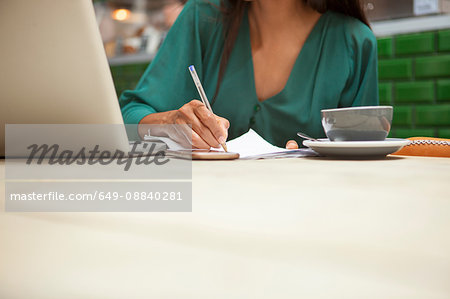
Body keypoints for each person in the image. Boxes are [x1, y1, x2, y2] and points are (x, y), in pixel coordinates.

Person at [119, 0, 379, 149]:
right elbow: (127, 116)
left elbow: (364, 164)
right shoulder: (204, 17)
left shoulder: (354, 42)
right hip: (206, 214)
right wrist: (169, 124)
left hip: (311, 218)